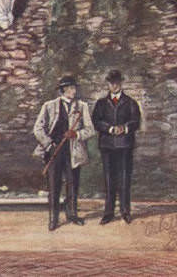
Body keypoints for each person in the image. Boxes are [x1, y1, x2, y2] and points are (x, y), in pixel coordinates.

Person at [33, 76, 95, 231]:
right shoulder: (49, 106)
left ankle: (72, 214)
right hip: (53, 151)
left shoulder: (82, 107)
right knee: (54, 186)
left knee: (73, 184)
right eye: (71, 88)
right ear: (63, 90)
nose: (74, 91)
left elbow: (90, 129)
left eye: (74, 88)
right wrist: (48, 144)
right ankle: (53, 218)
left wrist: (76, 134)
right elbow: (38, 128)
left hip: (73, 151)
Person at [92, 69, 141, 225]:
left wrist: (125, 128)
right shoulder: (101, 103)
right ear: (108, 84)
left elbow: (136, 122)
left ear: (121, 84)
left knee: (125, 178)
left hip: (125, 145)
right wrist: (110, 129)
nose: (114, 85)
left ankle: (125, 211)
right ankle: (108, 212)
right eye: (111, 83)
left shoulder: (131, 102)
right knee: (109, 179)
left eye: (116, 83)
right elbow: (96, 122)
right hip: (107, 146)